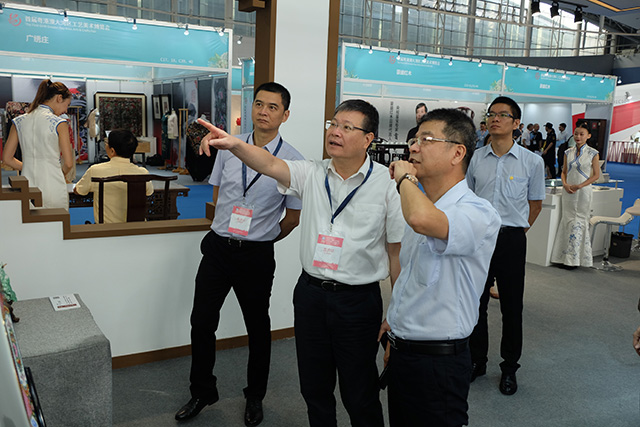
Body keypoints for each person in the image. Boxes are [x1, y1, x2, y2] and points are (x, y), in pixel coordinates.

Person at [198, 99, 405, 427]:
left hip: (357, 301)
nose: (335, 132)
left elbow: (396, 254)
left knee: (359, 392)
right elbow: (268, 163)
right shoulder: (311, 172)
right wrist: (234, 143)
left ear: (368, 139)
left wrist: (397, 314)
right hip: (310, 296)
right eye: (333, 124)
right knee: (314, 388)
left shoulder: (387, 184)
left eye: (346, 127)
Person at [174, 82, 305, 427]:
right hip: (218, 249)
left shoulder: (293, 161)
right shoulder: (228, 146)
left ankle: (255, 395)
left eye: (272, 107)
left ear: (285, 115)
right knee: (202, 322)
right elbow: (219, 197)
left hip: (256, 256)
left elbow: (292, 218)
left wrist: (261, 239)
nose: (263, 111)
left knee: (258, 328)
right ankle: (203, 391)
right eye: (259, 104)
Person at [379, 108, 500, 426]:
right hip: (405, 351)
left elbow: (422, 220)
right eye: (415, 140)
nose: (413, 147)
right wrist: (395, 322)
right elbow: (413, 275)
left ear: (457, 153)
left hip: (439, 362)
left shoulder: (477, 212)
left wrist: (405, 178)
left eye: (426, 140)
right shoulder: (423, 203)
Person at [467, 96, 545, 396]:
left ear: (516, 123)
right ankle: (477, 360)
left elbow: (535, 204)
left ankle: (509, 367)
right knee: (476, 303)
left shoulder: (532, 161)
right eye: (491, 114)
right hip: (479, 238)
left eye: (502, 115)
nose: (494, 119)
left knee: (512, 306)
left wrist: (518, 230)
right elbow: (467, 200)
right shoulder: (476, 158)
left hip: (511, 239)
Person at [2, 79, 74, 209]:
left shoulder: (18, 121)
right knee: (56, 220)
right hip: (53, 183)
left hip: (27, 183)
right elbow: (69, 163)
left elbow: (7, 158)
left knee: (30, 219)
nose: (65, 110)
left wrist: (28, 166)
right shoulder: (59, 123)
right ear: (59, 98)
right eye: (67, 104)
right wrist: (59, 173)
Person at [73, 129, 154, 223]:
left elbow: (79, 190)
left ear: (112, 151)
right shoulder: (143, 173)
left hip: (106, 229)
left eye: (107, 143)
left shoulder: (95, 170)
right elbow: (149, 192)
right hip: (136, 228)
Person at [550, 122, 600, 268]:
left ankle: (575, 260)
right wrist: (565, 184)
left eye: (581, 134)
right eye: (576, 134)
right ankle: (562, 257)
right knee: (567, 220)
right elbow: (564, 171)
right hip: (568, 192)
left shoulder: (593, 153)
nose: (578, 137)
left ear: (588, 136)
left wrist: (580, 186)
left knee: (579, 221)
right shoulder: (568, 152)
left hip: (583, 192)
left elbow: (596, 175)